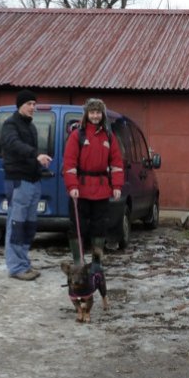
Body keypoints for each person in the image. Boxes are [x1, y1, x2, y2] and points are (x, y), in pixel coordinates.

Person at [62, 98, 124, 265]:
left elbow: (117, 164)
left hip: (101, 190)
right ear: (87, 114)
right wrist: (72, 186)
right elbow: (69, 163)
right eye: (92, 112)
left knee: (99, 228)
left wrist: (117, 186)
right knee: (78, 228)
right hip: (80, 190)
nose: (95, 116)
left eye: (98, 112)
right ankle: (78, 262)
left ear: (102, 115)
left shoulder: (109, 137)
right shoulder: (77, 136)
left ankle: (96, 263)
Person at [1, 89, 53, 280]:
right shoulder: (9, 125)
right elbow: (13, 144)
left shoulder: (30, 127)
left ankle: (24, 263)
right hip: (18, 181)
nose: (33, 107)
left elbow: (30, 154)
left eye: (34, 104)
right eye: (29, 104)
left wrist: (41, 166)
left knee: (29, 225)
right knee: (16, 223)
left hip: (33, 181)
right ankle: (15, 267)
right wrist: (35, 154)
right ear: (20, 105)